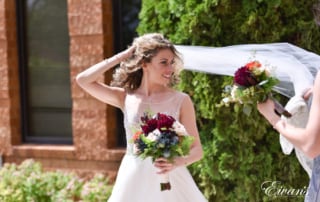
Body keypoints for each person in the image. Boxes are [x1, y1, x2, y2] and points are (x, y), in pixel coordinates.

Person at [76, 33, 207, 202]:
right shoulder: (125, 97)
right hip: (133, 178)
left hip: (169, 178)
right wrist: (121, 57)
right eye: (163, 62)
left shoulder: (181, 100)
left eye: (172, 62)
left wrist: (176, 162)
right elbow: (83, 80)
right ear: (144, 64)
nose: (170, 69)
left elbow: (197, 151)